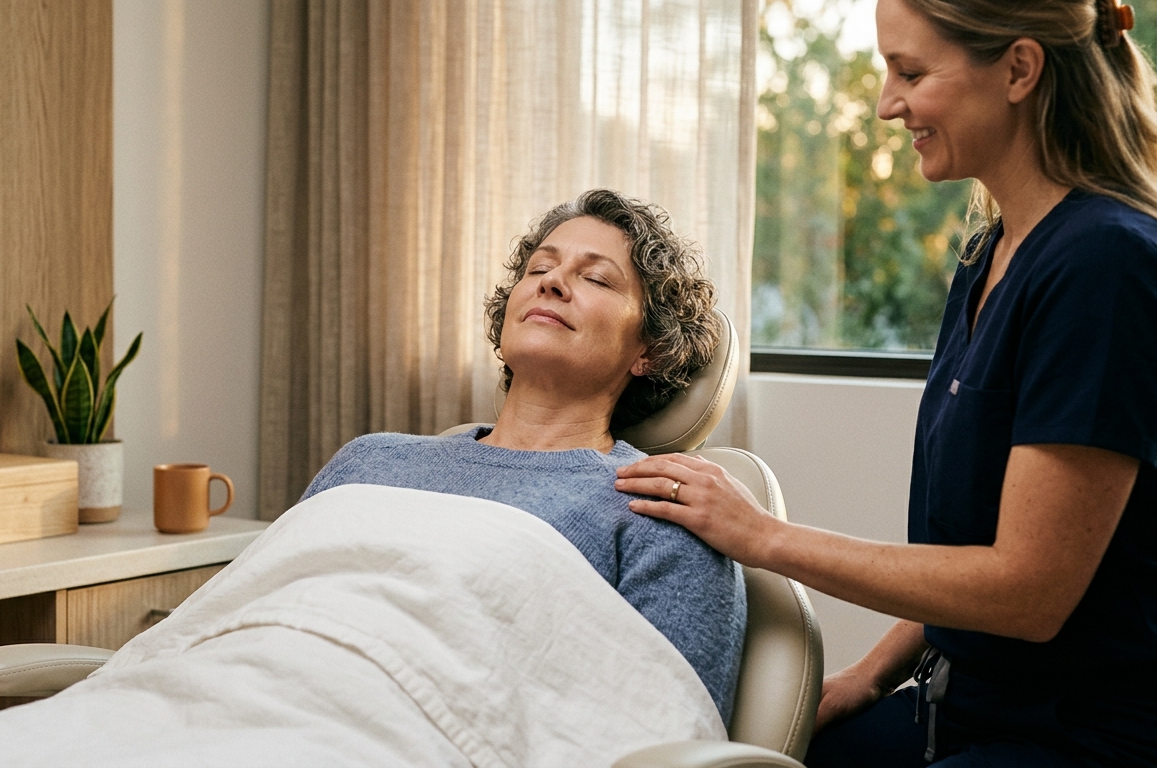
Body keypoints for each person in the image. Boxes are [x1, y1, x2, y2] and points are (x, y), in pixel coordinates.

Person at [615, 0, 1157, 765]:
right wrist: (869, 676)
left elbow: (1026, 591)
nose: (885, 104)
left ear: (1020, 69)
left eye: (910, 72)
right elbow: (965, 552)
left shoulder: (1106, 266)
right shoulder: (988, 255)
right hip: (959, 702)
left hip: (1079, 736)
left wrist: (764, 537)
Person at [301, 188, 749, 724]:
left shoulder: (659, 509)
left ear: (648, 350)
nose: (552, 283)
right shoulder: (367, 461)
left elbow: (669, 732)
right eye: (540, 268)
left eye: (596, 278)